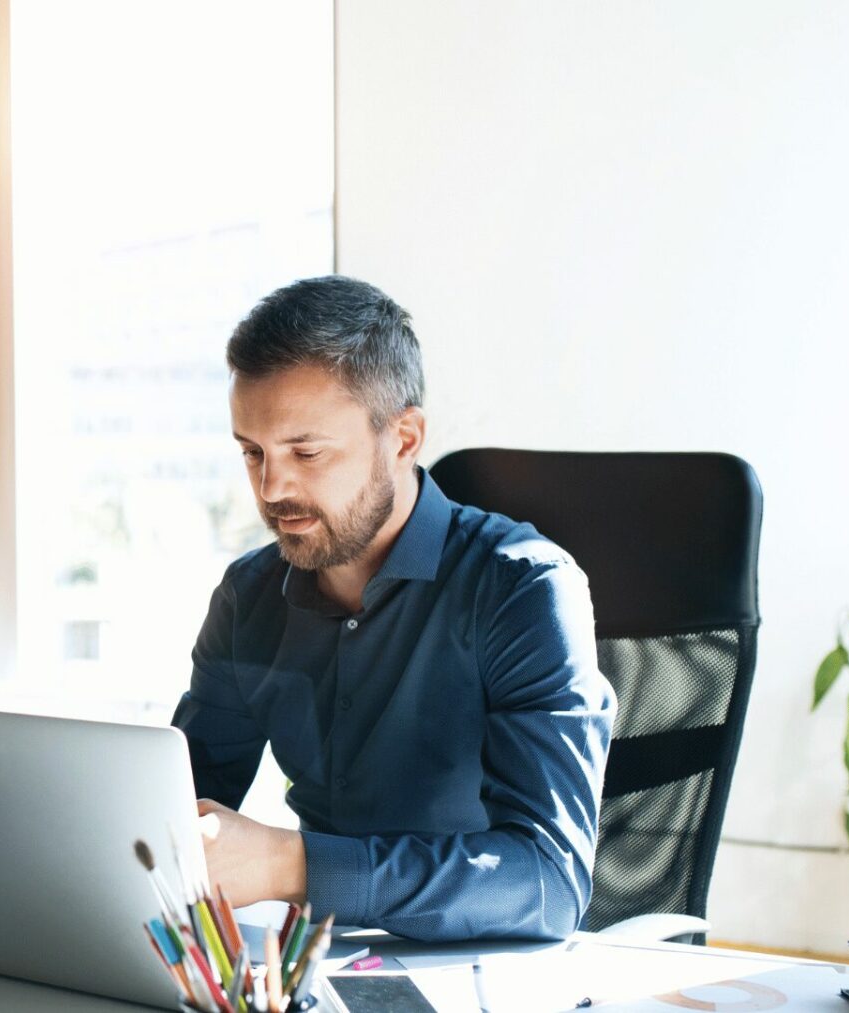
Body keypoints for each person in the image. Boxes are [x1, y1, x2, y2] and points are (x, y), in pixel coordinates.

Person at [173, 275, 615, 942]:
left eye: (306, 451)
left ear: (404, 438)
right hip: (320, 964)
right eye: (252, 452)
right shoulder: (247, 598)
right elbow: (174, 812)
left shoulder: (524, 589)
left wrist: (293, 863)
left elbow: (548, 882)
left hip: (490, 970)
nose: (272, 486)